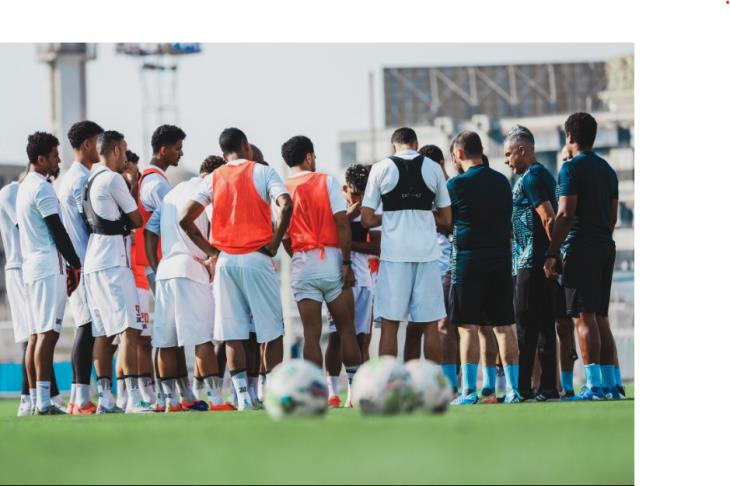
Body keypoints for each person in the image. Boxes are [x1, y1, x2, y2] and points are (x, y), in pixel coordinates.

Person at [180, 127, 292, 411]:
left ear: (223, 153)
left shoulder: (214, 177)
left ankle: (242, 397)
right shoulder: (263, 172)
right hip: (256, 256)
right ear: (246, 146)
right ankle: (273, 393)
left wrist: (212, 252)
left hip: (226, 261)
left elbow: (185, 219)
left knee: (233, 333)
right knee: (272, 332)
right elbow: (286, 204)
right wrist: (276, 241)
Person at [145, 155, 234, 412]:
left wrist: (155, 263)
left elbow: (151, 231)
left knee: (166, 340)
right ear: (217, 173)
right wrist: (213, 255)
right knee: (201, 338)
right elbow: (216, 228)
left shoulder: (173, 192)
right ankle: (216, 400)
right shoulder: (210, 189)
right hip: (191, 268)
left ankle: (171, 401)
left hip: (165, 270)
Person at [543, 112, 622, 400]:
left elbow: (564, 214)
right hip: (604, 245)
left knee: (583, 317)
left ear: (570, 137)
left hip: (581, 247)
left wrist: (552, 252)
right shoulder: (608, 170)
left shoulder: (570, 169)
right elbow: (613, 217)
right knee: (600, 317)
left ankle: (594, 386)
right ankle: (612, 384)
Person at [361, 128, 451, 367]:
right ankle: (434, 385)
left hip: (394, 257)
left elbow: (367, 219)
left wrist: (390, 216)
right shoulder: (433, 168)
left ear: (393, 147)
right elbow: (446, 220)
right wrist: (423, 214)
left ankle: (387, 383)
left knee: (390, 324)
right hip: (427, 255)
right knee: (431, 323)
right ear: (416, 143)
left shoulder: (380, 168)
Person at [446, 131, 522, 405]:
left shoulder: (455, 185)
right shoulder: (502, 181)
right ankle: (513, 390)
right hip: (500, 260)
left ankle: (469, 392)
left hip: (468, 261)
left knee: (468, 327)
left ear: (458, 154)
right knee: (503, 326)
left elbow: (445, 222)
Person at [281, 135, 362, 388]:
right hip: (330, 260)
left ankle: (316, 390)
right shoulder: (326, 180)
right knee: (346, 328)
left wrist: (299, 257)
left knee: (310, 334)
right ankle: (354, 389)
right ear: (308, 156)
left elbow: (284, 237)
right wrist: (347, 263)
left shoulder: (282, 189)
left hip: (302, 263)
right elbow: (342, 224)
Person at [82, 130, 150, 413]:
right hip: (112, 263)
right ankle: (133, 398)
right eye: (124, 149)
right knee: (130, 329)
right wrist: (132, 184)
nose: (126, 155)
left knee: (102, 334)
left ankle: (107, 400)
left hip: (94, 263)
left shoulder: (91, 179)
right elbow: (136, 219)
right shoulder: (112, 179)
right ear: (116, 151)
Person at [16, 132, 82, 414]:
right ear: (40, 159)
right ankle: (43, 402)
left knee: (35, 336)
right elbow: (57, 229)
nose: (58, 161)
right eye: (54, 156)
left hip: (31, 267)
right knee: (47, 335)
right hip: (46, 265)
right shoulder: (41, 188)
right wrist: (75, 263)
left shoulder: (24, 187)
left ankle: (34, 399)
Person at [133, 124, 189, 411]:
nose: (181, 152)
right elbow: (170, 226)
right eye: (178, 147)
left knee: (174, 330)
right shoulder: (156, 184)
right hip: (159, 266)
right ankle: (171, 396)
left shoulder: (153, 179)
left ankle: (181, 394)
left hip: (159, 265)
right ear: (164, 149)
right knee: (168, 331)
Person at [505, 125, 559, 401]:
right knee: (545, 326)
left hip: (531, 261)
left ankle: (523, 389)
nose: (507, 160)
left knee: (526, 326)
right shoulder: (543, 174)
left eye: (509, 154)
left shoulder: (532, 177)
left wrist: (552, 255)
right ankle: (547, 387)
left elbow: (548, 217)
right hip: (535, 260)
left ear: (522, 150)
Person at [401, 144, 458, 393]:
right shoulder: (419, 190)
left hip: (447, 264)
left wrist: (426, 216)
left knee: (445, 326)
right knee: (415, 328)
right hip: (422, 263)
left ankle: (447, 383)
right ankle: (409, 382)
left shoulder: (451, 187)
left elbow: (449, 224)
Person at [324, 163, 380, 408]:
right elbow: (325, 236)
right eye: (355, 194)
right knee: (336, 337)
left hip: (364, 281)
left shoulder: (372, 211)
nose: (359, 200)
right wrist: (345, 221)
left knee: (361, 340)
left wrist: (346, 243)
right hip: (338, 280)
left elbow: (375, 247)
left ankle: (356, 393)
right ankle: (331, 392)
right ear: (345, 189)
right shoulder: (335, 209)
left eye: (364, 194)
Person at [58, 120, 104, 415]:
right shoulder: (78, 180)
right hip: (83, 263)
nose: (101, 147)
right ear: (87, 144)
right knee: (86, 328)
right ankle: (81, 398)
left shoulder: (78, 177)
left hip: (83, 262)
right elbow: (90, 222)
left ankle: (79, 398)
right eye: (98, 141)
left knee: (88, 328)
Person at [0, 172, 33, 415]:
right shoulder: (10, 192)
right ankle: (27, 397)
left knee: (37, 335)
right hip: (19, 268)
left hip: (29, 268)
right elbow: (25, 225)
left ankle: (40, 395)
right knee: (30, 336)